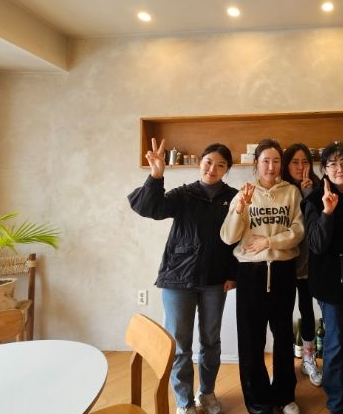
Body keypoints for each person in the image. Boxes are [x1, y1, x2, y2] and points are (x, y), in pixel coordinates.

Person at [127, 138, 237, 414]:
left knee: (211, 341)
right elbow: (149, 208)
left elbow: (240, 237)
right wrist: (156, 175)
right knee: (179, 344)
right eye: (208, 162)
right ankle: (184, 402)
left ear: (226, 169)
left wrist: (234, 273)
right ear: (200, 163)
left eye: (220, 165)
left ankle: (207, 393)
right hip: (178, 278)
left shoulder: (234, 197)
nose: (212, 169)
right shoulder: (184, 194)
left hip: (215, 279)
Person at [220, 138, 305, 414]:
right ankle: (258, 402)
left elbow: (298, 231)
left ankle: (284, 396)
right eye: (265, 161)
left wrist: (269, 242)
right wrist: (239, 209)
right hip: (251, 273)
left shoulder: (291, 192)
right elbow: (228, 236)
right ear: (256, 164)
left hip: (282, 271)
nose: (271, 166)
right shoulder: (244, 193)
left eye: (276, 161)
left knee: (283, 337)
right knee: (251, 340)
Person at [302, 142, 343, 414]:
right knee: (336, 342)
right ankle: (337, 402)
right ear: (324, 170)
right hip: (330, 284)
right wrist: (327, 212)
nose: (339, 169)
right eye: (332, 164)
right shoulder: (315, 199)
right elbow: (316, 244)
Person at [282, 143, 323, 387]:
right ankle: (284, 363)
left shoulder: (319, 187)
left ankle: (309, 359)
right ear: (287, 165)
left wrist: (309, 194)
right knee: (282, 313)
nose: (300, 167)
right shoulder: (281, 189)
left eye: (305, 161)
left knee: (307, 311)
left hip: (310, 264)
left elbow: (317, 224)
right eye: (295, 162)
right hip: (285, 262)